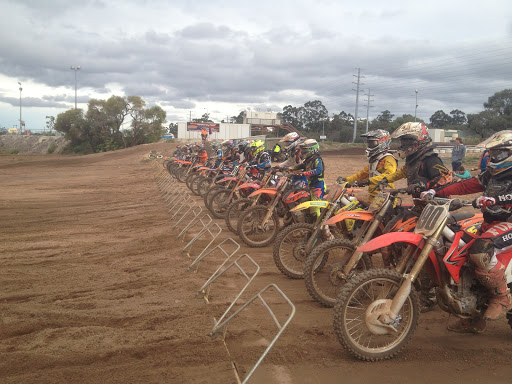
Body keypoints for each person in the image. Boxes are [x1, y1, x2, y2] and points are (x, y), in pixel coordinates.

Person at [423, 130, 512, 333]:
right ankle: (473, 317)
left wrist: (497, 199)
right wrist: (435, 191)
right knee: (454, 248)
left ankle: (501, 296)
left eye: (499, 154)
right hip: (490, 225)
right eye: (492, 154)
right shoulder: (490, 175)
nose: (493, 158)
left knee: (480, 251)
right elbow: (464, 185)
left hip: (508, 223)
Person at [341, 130, 397, 201]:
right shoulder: (376, 159)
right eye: (369, 142)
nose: (370, 145)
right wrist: (345, 180)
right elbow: (362, 174)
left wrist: (369, 181)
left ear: (382, 142)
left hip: (385, 198)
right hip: (374, 196)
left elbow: (390, 175)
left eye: (372, 142)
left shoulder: (388, 159)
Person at [292, 139, 325, 218]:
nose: (302, 152)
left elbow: (318, 170)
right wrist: (290, 169)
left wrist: (303, 173)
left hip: (318, 186)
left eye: (304, 150)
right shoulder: (309, 160)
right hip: (311, 185)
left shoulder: (317, 159)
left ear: (311, 150)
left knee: (315, 208)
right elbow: (300, 166)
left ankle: (322, 228)